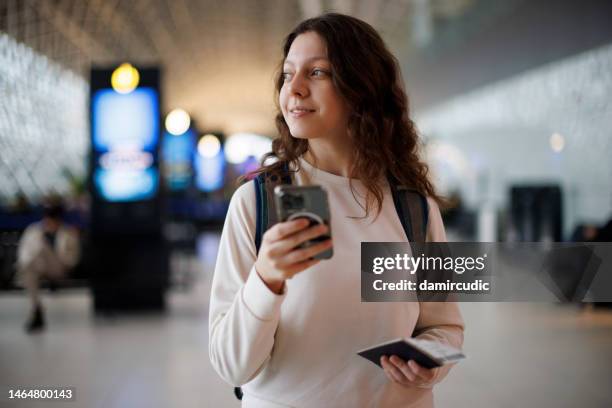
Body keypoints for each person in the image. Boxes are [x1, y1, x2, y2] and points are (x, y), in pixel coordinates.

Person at [209, 13, 464, 407]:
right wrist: (266, 279)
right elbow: (231, 365)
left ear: (360, 87)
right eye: (288, 74)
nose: (293, 88)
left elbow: (444, 326)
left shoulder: (413, 208)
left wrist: (432, 363)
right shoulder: (257, 202)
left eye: (317, 73)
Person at [16, 202, 80, 333]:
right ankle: (36, 308)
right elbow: (24, 251)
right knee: (30, 268)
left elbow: (73, 258)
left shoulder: (68, 232)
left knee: (40, 247)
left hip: (59, 266)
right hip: (37, 266)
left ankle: (23, 270)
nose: (49, 221)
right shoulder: (34, 230)